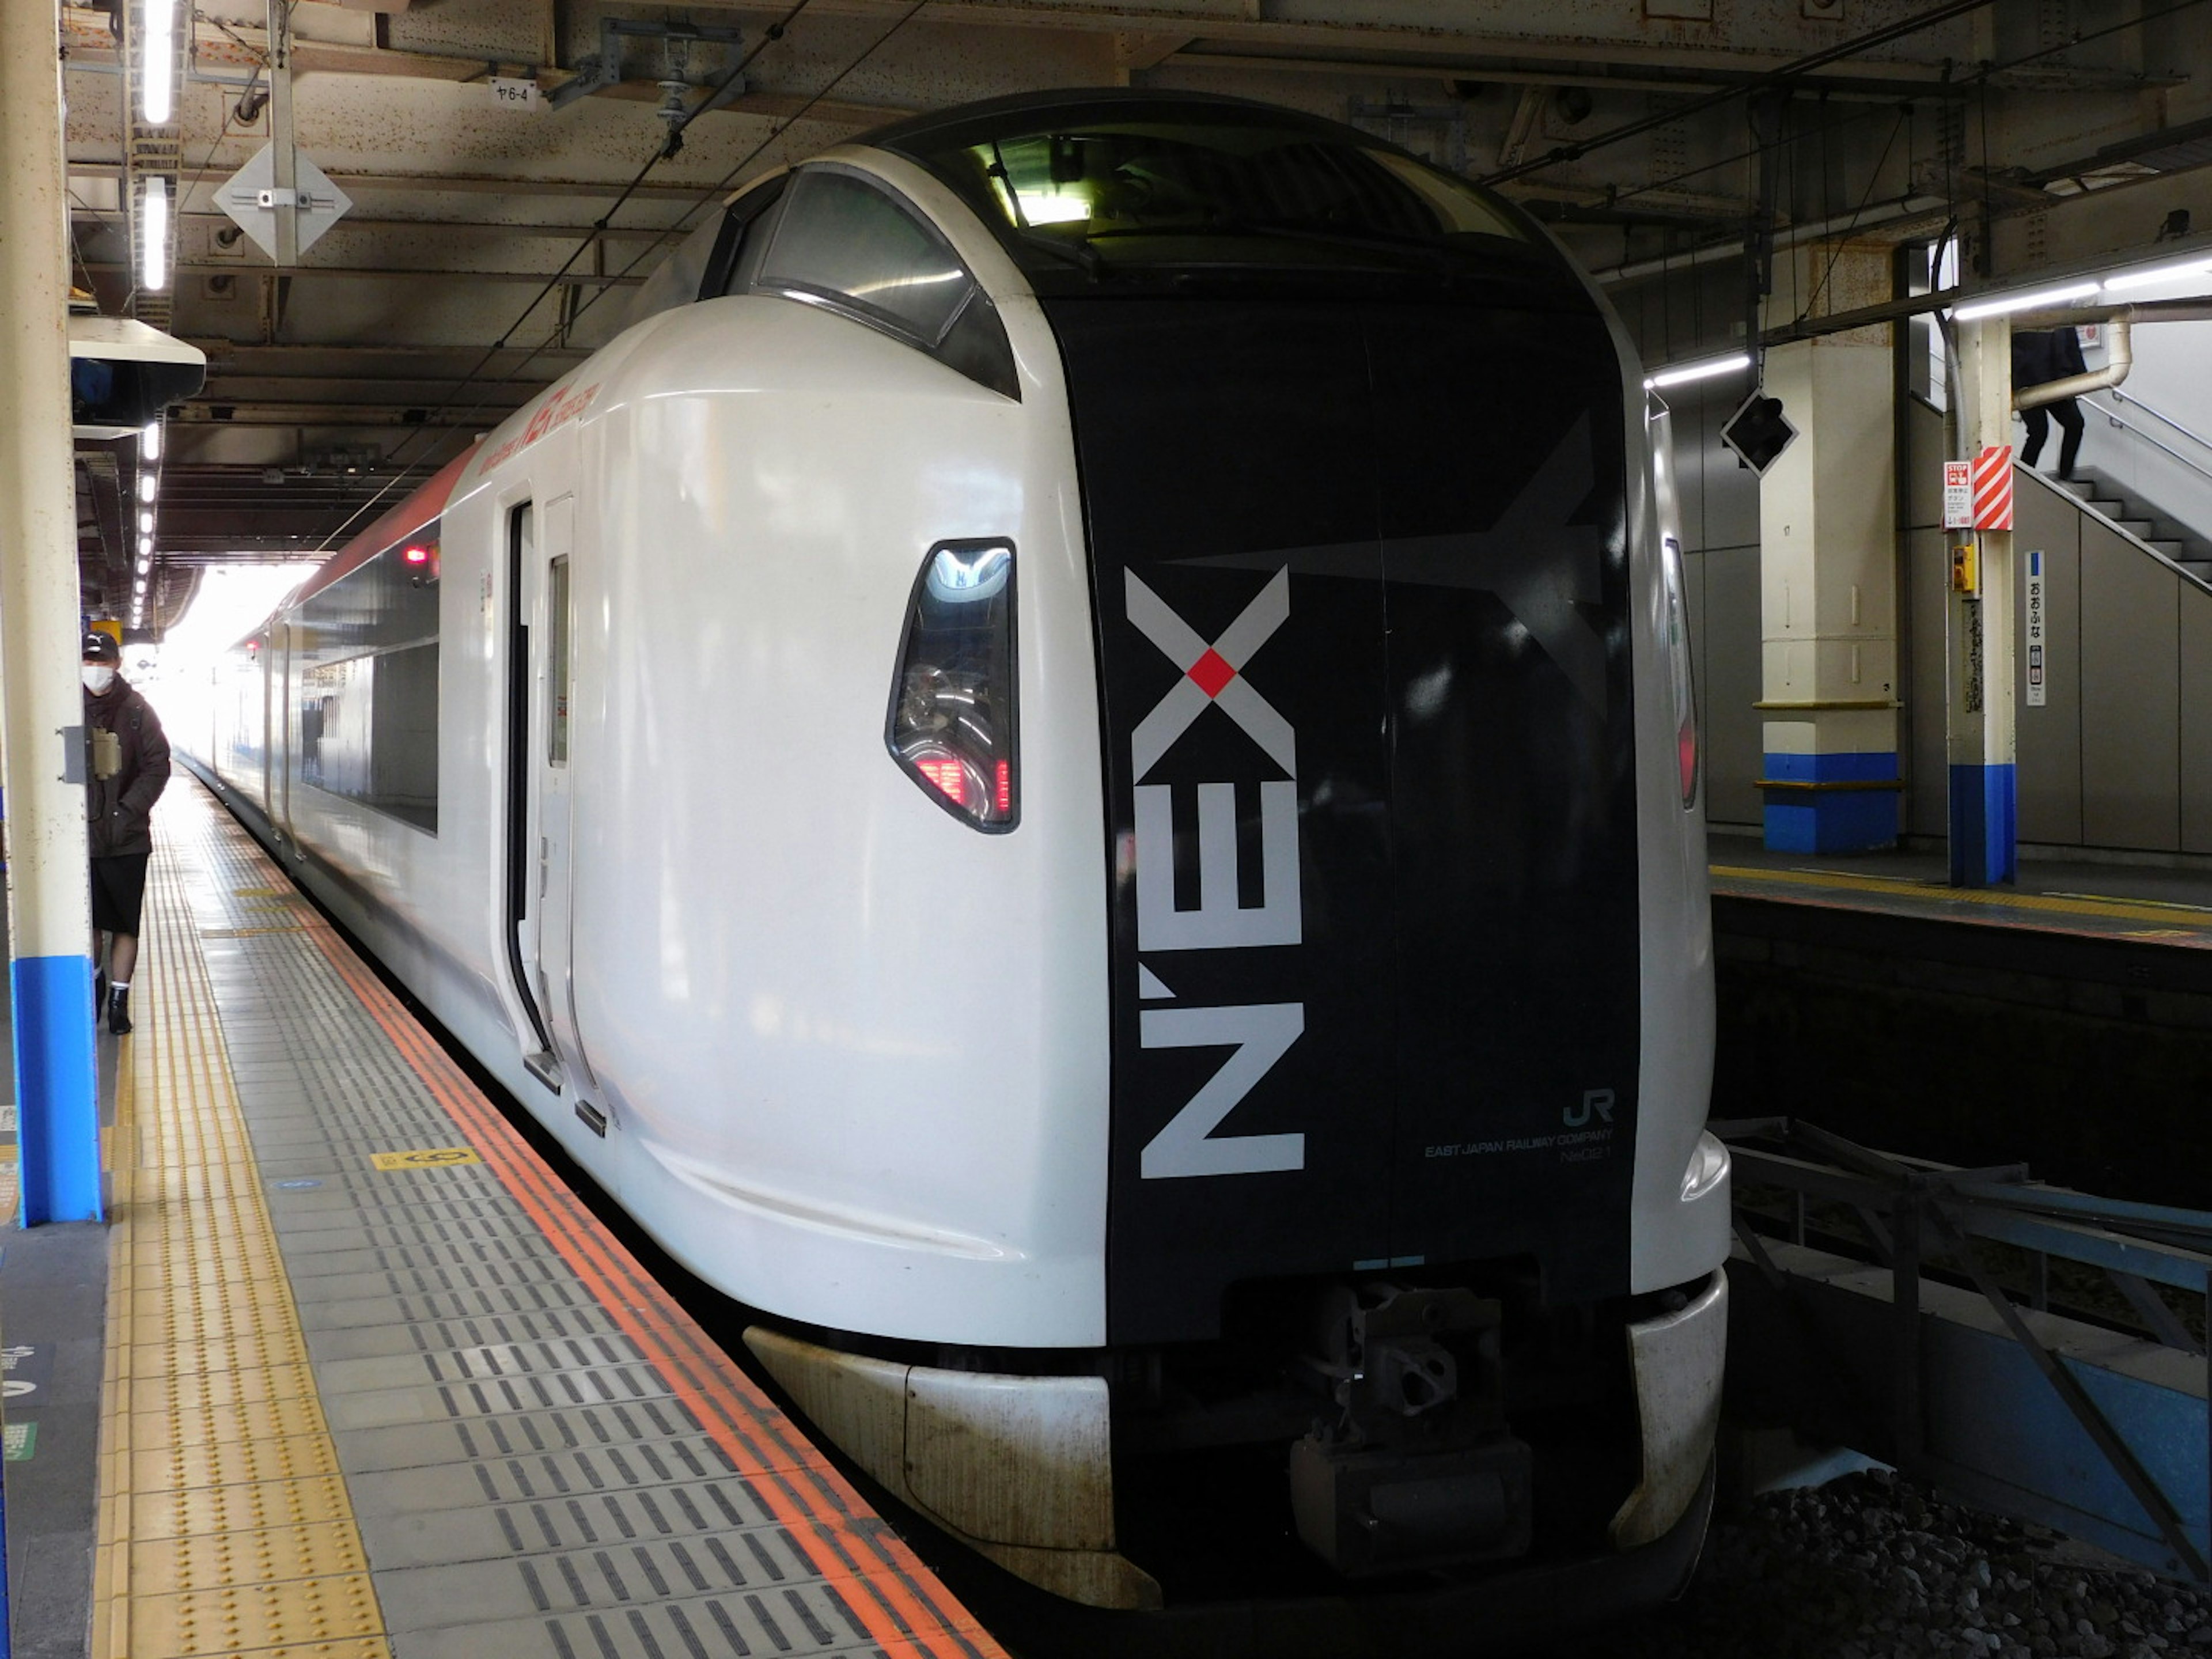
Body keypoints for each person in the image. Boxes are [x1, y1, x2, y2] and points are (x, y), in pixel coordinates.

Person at [82, 629, 169, 1035]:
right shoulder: (65, 707)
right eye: (89, 661)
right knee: (90, 925)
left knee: (125, 924)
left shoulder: (137, 709)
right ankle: (96, 986)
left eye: (102, 662)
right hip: (81, 841)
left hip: (128, 840)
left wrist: (126, 811)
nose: (95, 669)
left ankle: (119, 1000)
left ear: (117, 664)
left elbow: (157, 765)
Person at [2012, 327, 2089, 480]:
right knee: (2039, 432)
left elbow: (2073, 348)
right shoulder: (2024, 318)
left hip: (2057, 381)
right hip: (2028, 384)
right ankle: (2024, 479)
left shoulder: (2064, 317)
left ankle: (2065, 476)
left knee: (2075, 424)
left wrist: (2082, 378)